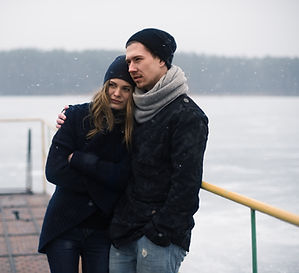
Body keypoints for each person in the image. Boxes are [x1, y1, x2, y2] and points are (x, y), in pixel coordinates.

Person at [57, 28, 209, 273]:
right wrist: (69, 116)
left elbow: (186, 185)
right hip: (124, 232)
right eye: (128, 61)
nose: (131, 68)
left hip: (158, 237)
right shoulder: (135, 108)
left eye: (138, 59)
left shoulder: (187, 116)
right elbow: (97, 119)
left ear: (162, 59)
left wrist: (159, 231)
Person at [39, 55, 135, 273]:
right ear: (105, 85)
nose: (117, 93)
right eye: (112, 85)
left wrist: (81, 160)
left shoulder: (133, 129)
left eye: (125, 88)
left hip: (101, 230)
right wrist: (104, 184)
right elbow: (54, 170)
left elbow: (123, 177)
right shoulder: (76, 116)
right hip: (63, 224)